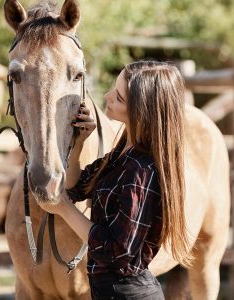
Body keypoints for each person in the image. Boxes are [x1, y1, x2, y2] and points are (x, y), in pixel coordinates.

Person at [39, 60, 193, 299]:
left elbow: (119, 253)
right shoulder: (122, 155)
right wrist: (78, 145)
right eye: (113, 88)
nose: (108, 96)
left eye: (119, 98)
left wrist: (64, 209)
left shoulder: (140, 171)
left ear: (142, 111)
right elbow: (77, 189)